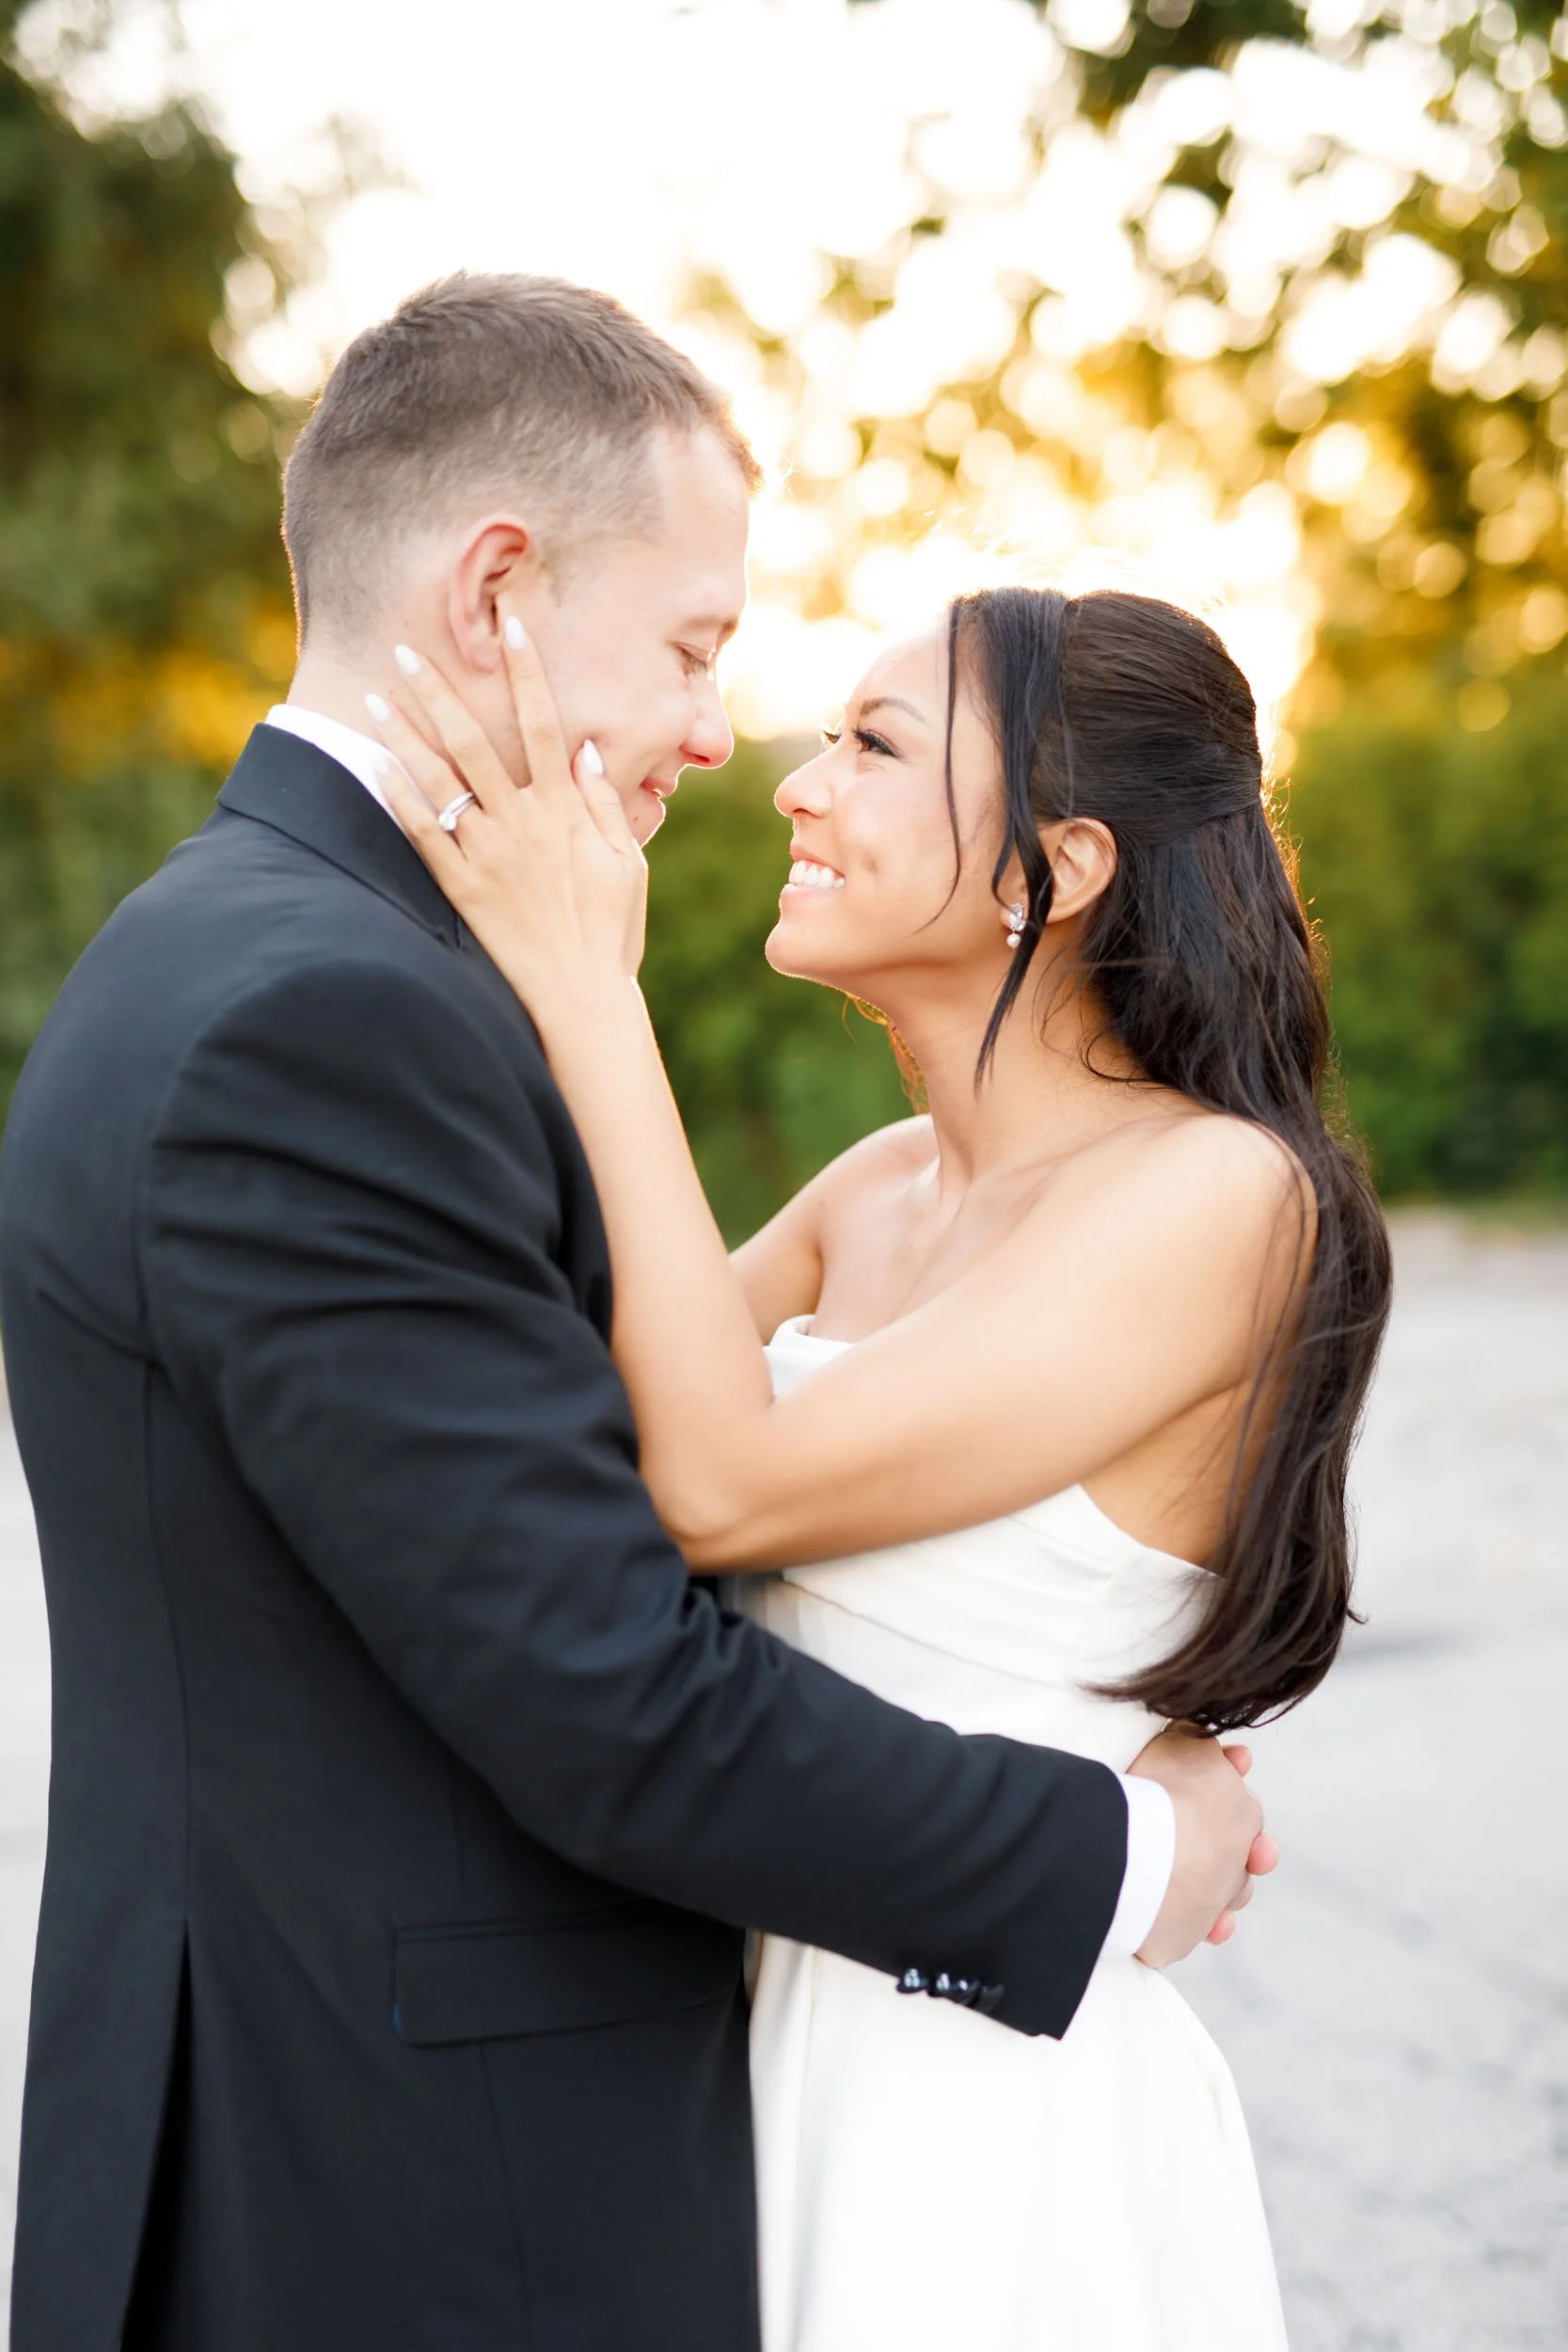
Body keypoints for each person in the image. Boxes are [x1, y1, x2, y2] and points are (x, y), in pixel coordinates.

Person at [0, 275, 1269, 2352]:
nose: (721, 732)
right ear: (500, 592)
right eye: (696, 646)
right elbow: (606, 1689)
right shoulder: (326, 1015)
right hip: (409, 2197)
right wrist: (1115, 1850)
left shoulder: (258, 953)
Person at [371, 568, 1393, 2350]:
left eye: (871, 744)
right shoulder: (872, 1191)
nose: (795, 779)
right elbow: (562, 1449)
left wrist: (584, 980)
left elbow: (720, 1487)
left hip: (972, 2121)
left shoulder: (1220, 1197)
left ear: (1052, 872)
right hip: (726, 2053)